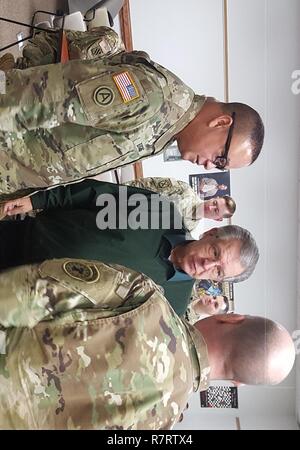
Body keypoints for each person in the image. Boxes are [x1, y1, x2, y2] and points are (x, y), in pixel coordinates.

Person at [0, 258, 295, 429]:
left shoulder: (145, 298)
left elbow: (29, 291)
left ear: (232, 319)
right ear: (237, 384)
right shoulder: (164, 427)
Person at [0, 28, 264, 198]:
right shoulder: (152, 98)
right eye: (220, 159)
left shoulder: (165, 133)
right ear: (221, 122)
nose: (209, 166)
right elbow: (32, 97)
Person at [0, 179, 259, 316]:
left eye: (218, 272)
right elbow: (94, 194)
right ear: (210, 233)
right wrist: (39, 200)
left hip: (24, 301)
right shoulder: (159, 211)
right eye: (215, 254)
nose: (207, 266)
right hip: (20, 239)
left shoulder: (172, 306)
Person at [124, 177, 236, 231]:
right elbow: (145, 184)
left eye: (216, 210)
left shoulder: (188, 229)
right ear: (213, 197)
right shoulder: (184, 190)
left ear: (217, 219)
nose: (210, 207)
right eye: (215, 203)